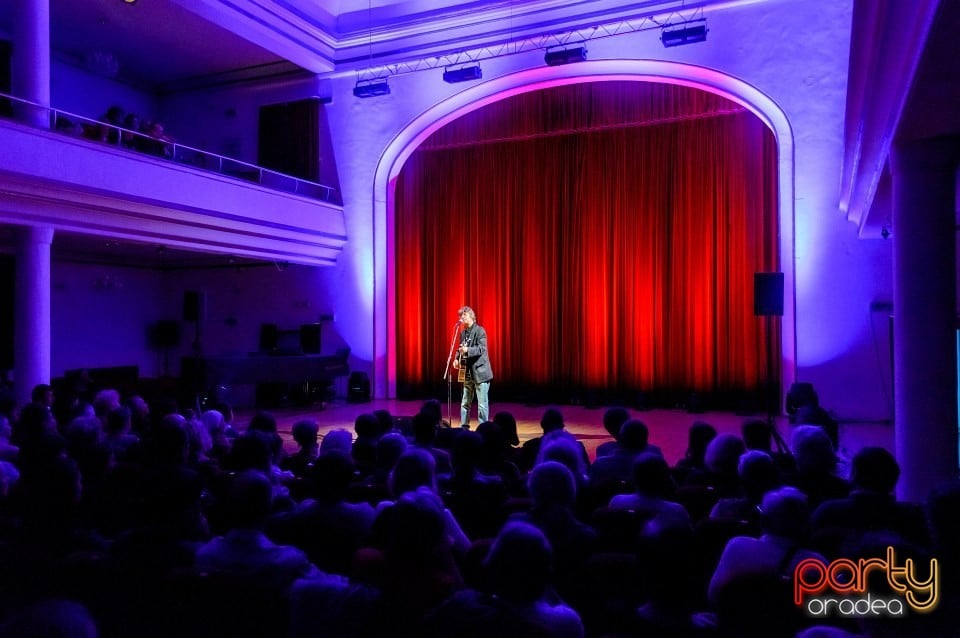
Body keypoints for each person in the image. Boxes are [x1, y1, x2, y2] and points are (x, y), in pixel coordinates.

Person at [452, 305, 493, 429]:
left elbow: (481, 349)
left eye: (464, 315)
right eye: (460, 316)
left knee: (482, 404)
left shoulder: (480, 331)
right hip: (467, 372)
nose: (461, 318)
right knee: (465, 402)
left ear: (471, 316)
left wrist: (467, 349)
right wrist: (456, 359)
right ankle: (464, 426)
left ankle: (484, 429)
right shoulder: (463, 333)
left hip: (480, 372)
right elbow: (460, 349)